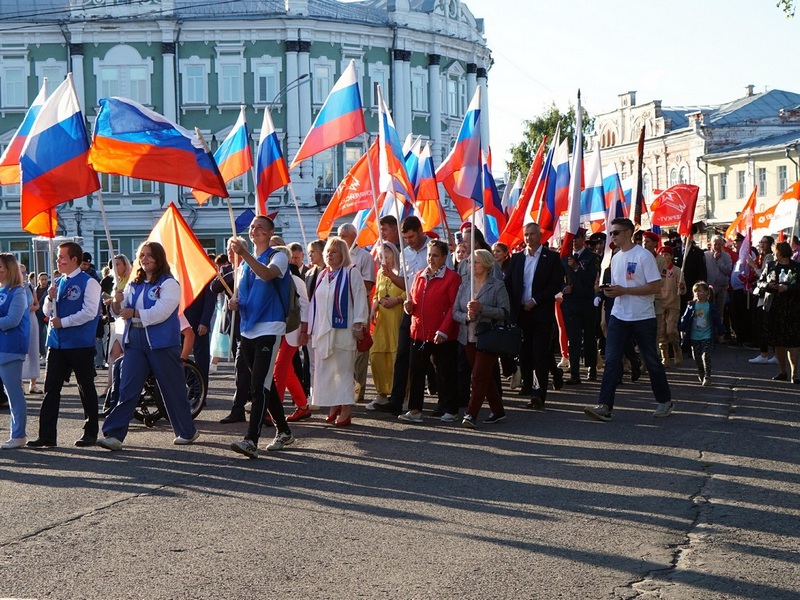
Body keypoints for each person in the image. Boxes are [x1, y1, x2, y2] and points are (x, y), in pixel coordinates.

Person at [97, 242, 199, 450]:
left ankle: (187, 431)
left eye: (149, 255)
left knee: (172, 389)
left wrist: (134, 313)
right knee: (127, 387)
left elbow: (161, 312)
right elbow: (120, 311)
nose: (144, 259)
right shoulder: (134, 284)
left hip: (162, 342)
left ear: (159, 258)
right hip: (135, 340)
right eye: (141, 255)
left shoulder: (169, 284)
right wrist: (117, 302)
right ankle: (115, 435)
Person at [584, 218, 674, 422]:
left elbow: (654, 287)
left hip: (642, 317)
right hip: (619, 315)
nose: (612, 236)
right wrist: (608, 292)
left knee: (651, 360)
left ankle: (664, 400)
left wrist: (625, 291)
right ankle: (605, 406)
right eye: (611, 233)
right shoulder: (615, 257)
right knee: (612, 360)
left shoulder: (643, 256)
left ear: (627, 233)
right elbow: (618, 287)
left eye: (615, 232)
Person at [228, 216, 295, 458]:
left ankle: (251, 440)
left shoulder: (278, 256)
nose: (254, 230)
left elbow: (267, 275)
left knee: (258, 386)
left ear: (269, 233)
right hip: (247, 328)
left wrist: (244, 254)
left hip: (270, 326)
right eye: (252, 227)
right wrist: (234, 302)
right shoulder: (243, 266)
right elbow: (242, 296)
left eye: (260, 228)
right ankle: (284, 431)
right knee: (266, 384)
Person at [28, 242, 101, 448]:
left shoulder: (89, 283)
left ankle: (90, 432)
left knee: (85, 388)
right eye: (58, 257)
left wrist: (65, 322)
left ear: (74, 260)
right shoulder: (58, 282)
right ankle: (47, 435)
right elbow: (48, 311)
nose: (58, 261)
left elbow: (89, 312)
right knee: (51, 389)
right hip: (57, 344)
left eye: (62, 257)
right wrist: (49, 299)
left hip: (80, 344)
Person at [397, 239, 460, 423]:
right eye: (429, 255)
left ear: (444, 257)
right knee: (416, 371)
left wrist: (444, 330)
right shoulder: (419, 276)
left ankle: (451, 409)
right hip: (419, 331)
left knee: (445, 371)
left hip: (441, 334)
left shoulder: (451, 278)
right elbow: (414, 302)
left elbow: (452, 306)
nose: (431, 259)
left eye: (435, 255)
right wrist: (409, 306)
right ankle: (415, 410)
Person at [308, 237, 369, 425]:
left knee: (343, 370)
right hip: (323, 330)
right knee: (327, 370)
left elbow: (360, 298)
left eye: (334, 252)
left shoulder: (351, 273)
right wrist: (309, 327)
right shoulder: (322, 275)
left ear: (343, 254)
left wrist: (359, 323)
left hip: (344, 330)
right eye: (327, 251)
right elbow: (314, 304)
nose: (329, 255)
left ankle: (346, 409)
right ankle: (334, 404)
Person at [505, 222, 564, 411]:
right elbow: (508, 283)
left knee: (540, 354)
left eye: (532, 234)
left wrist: (536, 300)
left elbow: (556, 284)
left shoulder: (552, 258)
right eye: (526, 234)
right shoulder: (516, 259)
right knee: (525, 354)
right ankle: (528, 387)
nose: (529, 237)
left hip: (541, 313)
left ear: (540, 236)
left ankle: (539, 395)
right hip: (521, 314)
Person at [375, 216, 429, 416]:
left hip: (430, 309)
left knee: (428, 360)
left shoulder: (434, 248)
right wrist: (390, 276)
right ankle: (396, 400)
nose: (409, 241)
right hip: (411, 308)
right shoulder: (405, 253)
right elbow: (404, 283)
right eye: (405, 238)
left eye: (412, 237)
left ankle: (439, 403)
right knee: (402, 356)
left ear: (420, 231)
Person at [452, 249, 510, 428]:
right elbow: (455, 311)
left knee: (477, 376)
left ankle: (471, 414)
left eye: (475, 262)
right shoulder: (465, 285)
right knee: (485, 377)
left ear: (485, 264)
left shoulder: (497, 285)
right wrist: (466, 317)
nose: (471, 265)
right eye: (470, 262)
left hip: (489, 338)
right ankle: (498, 410)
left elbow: (505, 312)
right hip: (468, 337)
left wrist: (482, 308)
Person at [337, 223, 376, 404]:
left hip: (359, 303)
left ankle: (358, 391)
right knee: (343, 347)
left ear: (354, 236)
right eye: (339, 235)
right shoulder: (338, 258)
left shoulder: (364, 257)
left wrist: (352, 284)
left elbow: (368, 284)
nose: (341, 239)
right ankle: (344, 388)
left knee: (360, 349)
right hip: (341, 307)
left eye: (344, 235)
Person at [271, 247, 312, 422]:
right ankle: (302, 406)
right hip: (276, 329)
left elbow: (305, 306)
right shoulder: (271, 279)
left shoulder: (295, 279)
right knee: (286, 370)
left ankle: (274, 412)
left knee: (279, 370)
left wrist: (304, 331)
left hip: (293, 330)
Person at [367, 241, 404, 411]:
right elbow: (377, 293)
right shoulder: (381, 274)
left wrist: (396, 300)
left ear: (394, 254)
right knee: (376, 356)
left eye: (386, 253)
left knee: (397, 357)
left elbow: (408, 291)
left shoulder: (401, 271)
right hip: (382, 320)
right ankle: (381, 394)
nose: (384, 257)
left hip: (397, 317)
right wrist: (375, 304)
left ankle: (402, 394)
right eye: (381, 255)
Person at [755, 242, 800, 383]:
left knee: (793, 342)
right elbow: (759, 283)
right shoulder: (771, 266)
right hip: (774, 306)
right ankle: (782, 371)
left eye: (775, 251)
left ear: (780, 252)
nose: (774, 254)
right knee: (778, 341)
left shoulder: (797, 267)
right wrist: (768, 285)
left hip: (792, 309)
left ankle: (795, 373)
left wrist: (788, 289)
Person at [0, 254, 31, 448]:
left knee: (13, 393)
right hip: (3, 346)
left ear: (9, 269)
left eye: (0, 267)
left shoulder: (18, 292)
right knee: (9, 392)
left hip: (11, 347)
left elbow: (13, 320)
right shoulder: (3, 290)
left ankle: (18, 434)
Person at [561, 228, 599, 384]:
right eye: (572, 238)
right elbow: (558, 278)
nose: (574, 241)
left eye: (577, 238)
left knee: (589, 337)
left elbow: (590, 280)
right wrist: (563, 288)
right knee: (574, 339)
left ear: (583, 238)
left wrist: (577, 267)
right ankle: (574, 373)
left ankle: (591, 367)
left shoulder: (591, 257)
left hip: (586, 302)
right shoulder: (564, 258)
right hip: (570, 303)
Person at [680, 281, 725, 386]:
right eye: (695, 291)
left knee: (706, 356)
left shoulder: (710, 306)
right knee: (697, 357)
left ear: (706, 292)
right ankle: (701, 370)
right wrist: (682, 329)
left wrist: (721, 332)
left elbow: (717, 320)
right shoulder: (691, 305)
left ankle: (707, 376)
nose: (697, 293)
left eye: (699, 291)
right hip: (694, 336)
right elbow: (685, 318)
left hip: (707, 335)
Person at [102, 254, 132, 392]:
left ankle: (124, 385)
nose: (115, 267)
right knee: (113, 353)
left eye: (118, 264)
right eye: (113, 265)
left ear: (125, 265)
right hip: (118, 321)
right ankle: (110, 385)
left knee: (127, 353)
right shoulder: (116, 281)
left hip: (129, 321)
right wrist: (112, 301)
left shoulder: (131, 281)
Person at [657, 245, 685, 368]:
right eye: (663, 254)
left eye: (667, 254)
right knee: (662, 332)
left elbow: (683, 290)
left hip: (673, 304)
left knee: (671, 330)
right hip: (660, 304)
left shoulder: (677, 271)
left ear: (672, 256)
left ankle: (676, 349)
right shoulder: (657, 270)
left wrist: (682, 287)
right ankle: (665, 357)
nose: (665, 257)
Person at [704, 235, 732, 340]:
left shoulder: (726, 256)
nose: (717, 246)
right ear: (711, 244)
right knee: (709, 309)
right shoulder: (706, 255)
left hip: (722, 286)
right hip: (710, 287)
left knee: (720, 310)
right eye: (715, 244)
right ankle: (709, 333)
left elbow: (728, 270)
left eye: (719, 244)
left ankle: (720, 334)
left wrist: (719, 261)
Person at [20, 264, 40, 394]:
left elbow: (37, 304)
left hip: (31, 320)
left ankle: (33, 384)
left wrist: (30, 309)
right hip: (19, 321)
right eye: (21, 272)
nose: (23, 274)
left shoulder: (29, 286)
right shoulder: (10, 287)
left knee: (33, 350)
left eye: (24, 272)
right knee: (20, 352)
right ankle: (20, 383)